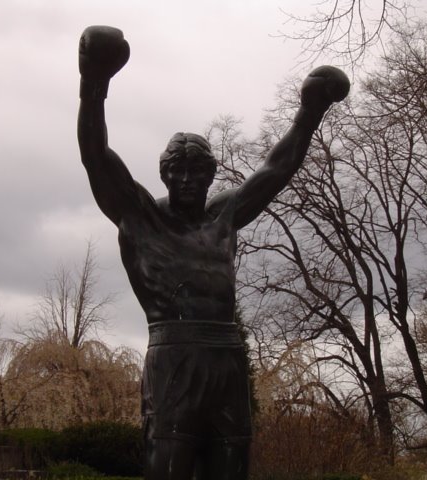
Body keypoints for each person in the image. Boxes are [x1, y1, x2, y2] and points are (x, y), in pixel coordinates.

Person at [77, 25, 349, 480]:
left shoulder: (224, 217)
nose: (187, 181)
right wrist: (94, 84)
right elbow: (95, 155)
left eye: (198, 172)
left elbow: (275, 170)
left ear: (209, 176)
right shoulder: (141, 217)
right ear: (164, 175)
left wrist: (310, 112)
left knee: (231, 469)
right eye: (178, 172)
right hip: (174, 361)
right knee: (169, 469)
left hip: (227, 361)